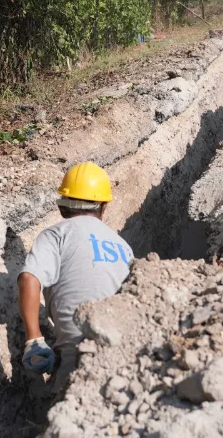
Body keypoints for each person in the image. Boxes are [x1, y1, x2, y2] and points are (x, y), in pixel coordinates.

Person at [17, 162, 132, 393]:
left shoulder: (56, 234)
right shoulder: (123, 246)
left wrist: (34, 340)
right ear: (104, 207)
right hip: (128, 355)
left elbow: (29, 278)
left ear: (62, 208)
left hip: (78, 357)